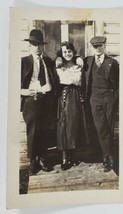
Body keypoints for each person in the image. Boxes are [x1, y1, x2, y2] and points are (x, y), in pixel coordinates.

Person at [21, 29, 57, 175]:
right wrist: (24, 92)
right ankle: (32, 162)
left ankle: (43, 159)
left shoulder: (48, 61)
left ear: (43, 46)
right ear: (30, 45)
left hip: (47, 100)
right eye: (34, 44)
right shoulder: (23, 62)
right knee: (33, 132)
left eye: (39, 45)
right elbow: (13, 84)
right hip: (32, 100)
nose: (37, 48)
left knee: (45, 131)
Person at [84, 36, 119, 172]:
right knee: (100, 127)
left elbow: (117, 84)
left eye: (100, 46)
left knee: (109, 127)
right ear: (92, 47)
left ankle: (108, 157)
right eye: (95, 46)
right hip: (94, 98)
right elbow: (73, 61)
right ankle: (107, 157)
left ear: (104, 46)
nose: (98, 49)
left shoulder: (112, 62)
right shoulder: (87, 61)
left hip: (109, 98)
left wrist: (115, 98)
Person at [56, 41, 90, 170]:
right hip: (64, 95)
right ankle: (65, 157)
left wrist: (79, 58)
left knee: (75, 124)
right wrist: (59, 58)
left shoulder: (78, 63)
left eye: (69, 51)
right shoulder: (58, 64)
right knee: (64, 125)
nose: (67, 54)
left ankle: (73, 154)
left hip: (76, 95)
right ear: (61, 53)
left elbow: (85, 66)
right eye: (65, 51)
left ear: (73, 52)